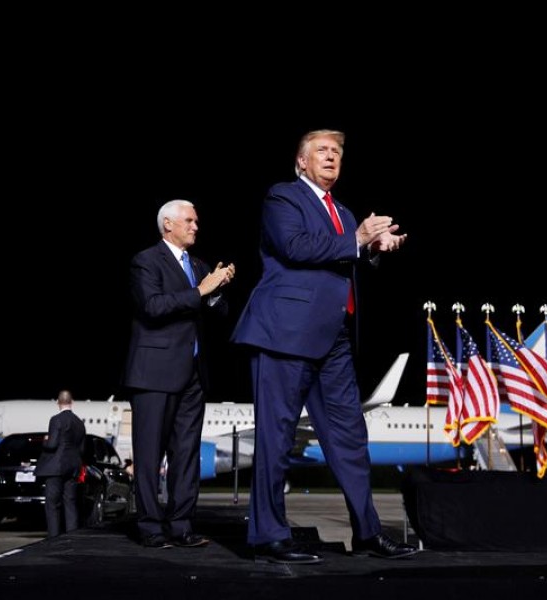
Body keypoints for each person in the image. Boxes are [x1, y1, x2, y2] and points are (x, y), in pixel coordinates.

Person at [231, 129, 416, 564]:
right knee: (275, 440)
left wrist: (373, 249)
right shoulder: (283, 197)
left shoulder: (346, 212)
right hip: (285, 334)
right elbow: (294, 247)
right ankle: (268, 537)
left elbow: (343, 261)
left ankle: (369, 534)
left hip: (333, 339)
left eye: (336, 152)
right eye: (321, 151)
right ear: (301, 163)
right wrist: (358, 240)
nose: (331, 157)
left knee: (351, 439)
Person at [122, 199, 236, 549]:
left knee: (186, 454)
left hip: (193, 375)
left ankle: (182, 526)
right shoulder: (146, 261)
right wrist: (201, 291)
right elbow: (153, 307)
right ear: (167, 224)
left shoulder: (200, 265)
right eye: (189, 220)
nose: (196, 226)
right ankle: (150, 528)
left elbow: (219, 311)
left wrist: (216, 292)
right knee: (149, 454)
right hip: (154, 374)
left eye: (197, 220)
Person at [35, 389, 86, 537]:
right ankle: (72, 537)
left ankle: (54, 538)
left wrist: (45, 440)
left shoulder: (56, 420)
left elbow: (52, 445)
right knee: (70, 503)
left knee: (53, 504)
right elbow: (82, 449)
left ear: (58, 403)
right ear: (72, 403)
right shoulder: (79, 423)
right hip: (73, 467)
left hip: (56, 468)